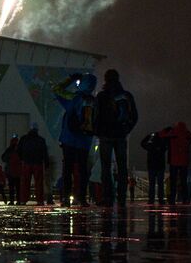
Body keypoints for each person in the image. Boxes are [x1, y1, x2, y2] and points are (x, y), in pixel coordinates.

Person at [94, 69, 139, 208]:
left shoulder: (101, 96)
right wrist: (126, 130)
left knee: (106, 168)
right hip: (121, 136)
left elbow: (95, 116)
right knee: (122, 168)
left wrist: (98, 132)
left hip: (106, 136)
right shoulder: (126, 95)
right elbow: (134, 116)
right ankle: (122, 198)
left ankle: (108, 197)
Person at [52, 72, 98, 205]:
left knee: (67, 169)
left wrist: (71, 78)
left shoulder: (73, 98)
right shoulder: (94, 101)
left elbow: (56, 89)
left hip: (69, 138)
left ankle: (66, 197)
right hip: (85, 140)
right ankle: (82, 197)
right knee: (83, 170)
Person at [159, 122, 191, 203]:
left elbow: (161, 135)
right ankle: (185, 199)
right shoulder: (187, 134)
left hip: (173, 161)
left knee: (173, 181)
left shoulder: (172, 133)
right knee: (183, 181)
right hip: (184, 161)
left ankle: (172, 198)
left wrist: (167, 129)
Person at [16, 126, 49, 204]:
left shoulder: (24, 139)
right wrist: (46, 163)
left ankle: (23, 200)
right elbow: (44, 152)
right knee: (39, 183)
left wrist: (22, 158)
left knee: (25, 183)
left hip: (26, 163)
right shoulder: (41, 140)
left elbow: (18, 150)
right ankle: (40, 200)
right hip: (38, 163)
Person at [141, 131, 167, 204]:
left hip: (151, 165)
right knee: (160, 184)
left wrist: (149, 136)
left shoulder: (150, 143)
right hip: (160, 165)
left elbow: (142, 143)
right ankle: (161, 199)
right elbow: (165, 148)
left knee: (152, 184)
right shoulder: (162, 142)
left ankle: (151, 199)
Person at [3, 135, 22, 203]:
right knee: (18, 188)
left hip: (10, 172)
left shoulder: (9, 150)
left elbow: (3, 158)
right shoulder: (20, 149)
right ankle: (19, 200)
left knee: (11, 188)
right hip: (18, 172)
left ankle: (11, 200)